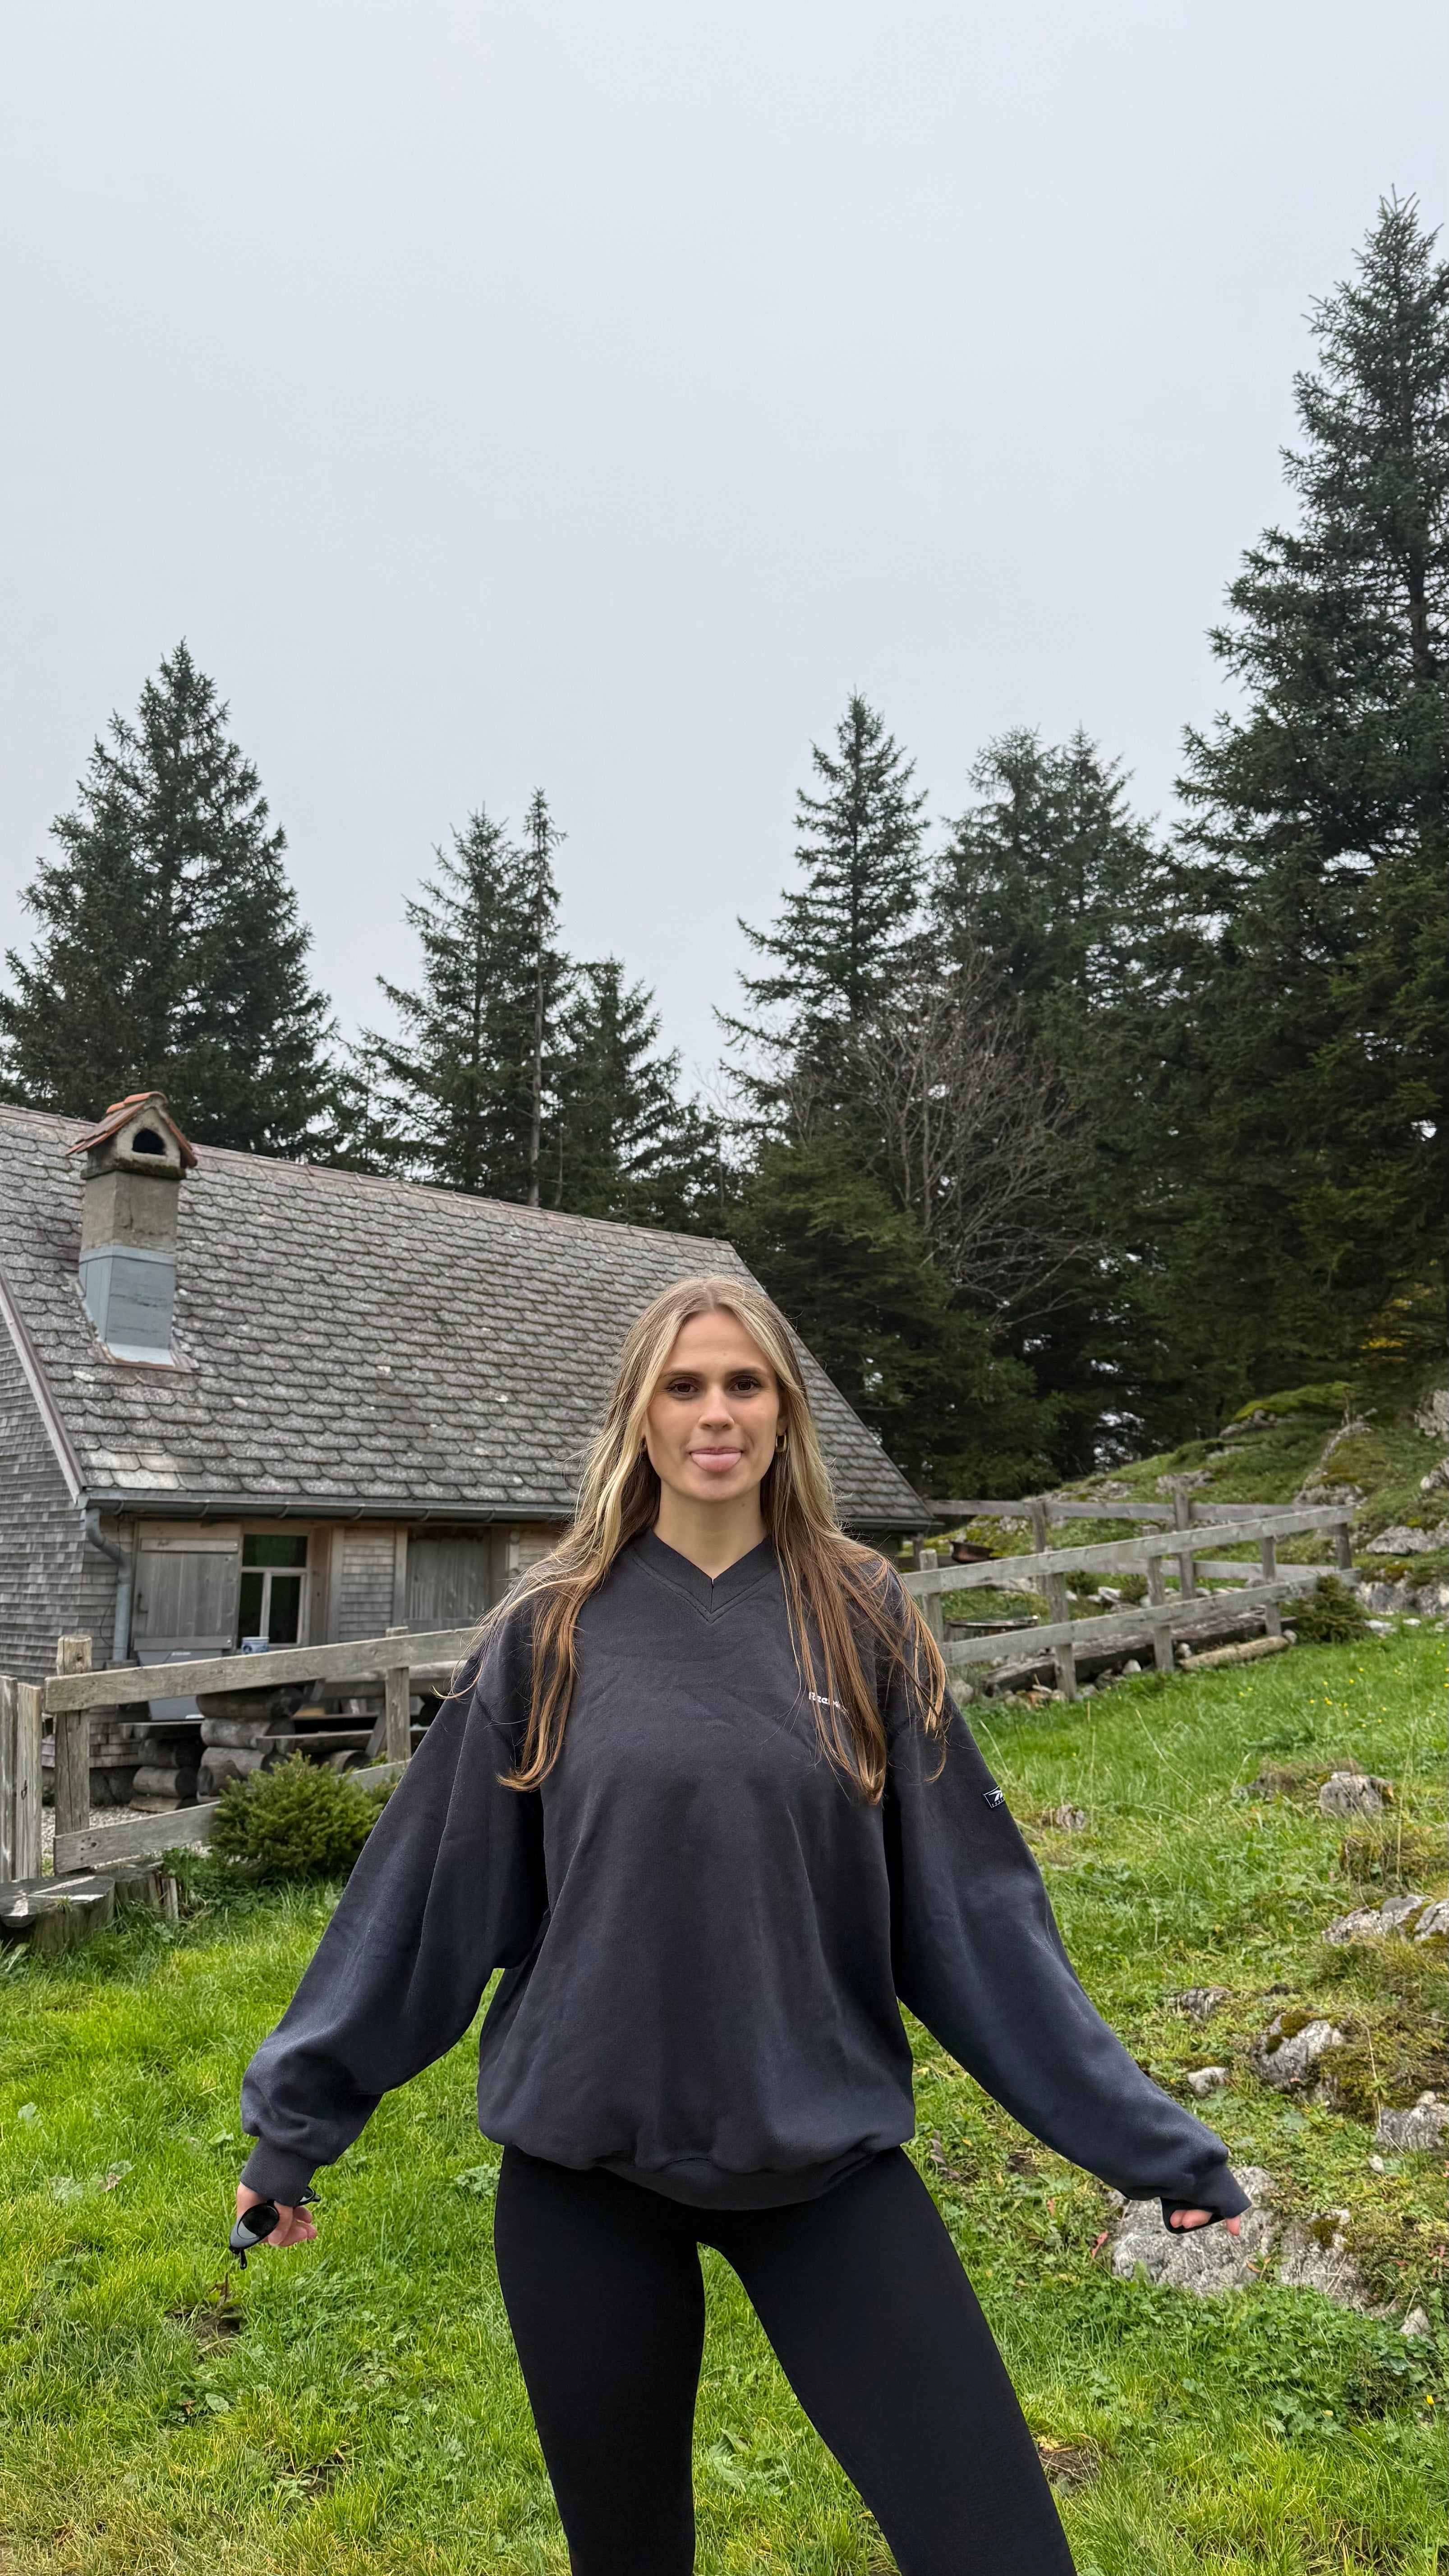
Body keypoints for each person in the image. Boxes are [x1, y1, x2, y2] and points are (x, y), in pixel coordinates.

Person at [235, 1273, 1247, 2576]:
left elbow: (977, 1920)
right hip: (586, 2181)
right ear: (641, 1416)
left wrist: (1151, 2148)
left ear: (784, 1412)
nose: (716, 1413)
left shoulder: (863, 1612)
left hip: (822, 2166)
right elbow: (428, 1900)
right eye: (684, 1385)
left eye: (744, 1383)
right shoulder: (550, 1629)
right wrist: (297, 2130)